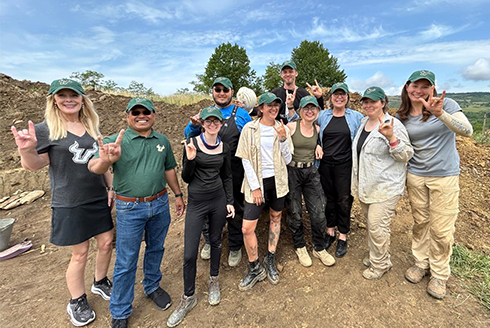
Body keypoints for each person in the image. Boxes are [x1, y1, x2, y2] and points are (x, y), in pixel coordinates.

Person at [11, 78, 114, 327]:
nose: (69, 99)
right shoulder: (45, 129)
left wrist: (111, 187)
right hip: (70, 200)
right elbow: (34, 165)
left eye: (74, 95)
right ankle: (76, 300)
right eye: (62, 95)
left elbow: (103, 160)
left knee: (107, 242)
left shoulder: (91, 125)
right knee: (80, 253)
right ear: (54, 100)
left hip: (97, 196)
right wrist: (27, 149)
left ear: (82, 99)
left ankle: (100, 281)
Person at [88, 97, 185, 328]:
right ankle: (120, 310)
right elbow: (94, 166)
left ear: (154, 115)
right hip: (129, 208)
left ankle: (152, 286)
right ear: (127, 116)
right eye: (136, 112)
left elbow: (169, 168)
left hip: (160, 203)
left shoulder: (161, 140)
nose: (141, 116)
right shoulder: (115, 141)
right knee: (126, 259)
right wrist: (105, 161)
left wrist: (178, 195)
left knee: (156, 248)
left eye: (146, 112)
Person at [396, 70, 473, 299]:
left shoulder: (446, 104)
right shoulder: (402, 116)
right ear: (407, 86)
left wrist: (440, 114)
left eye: (424, 86)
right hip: (416, 175)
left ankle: (439, 274)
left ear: (432, 88)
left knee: (441, 228)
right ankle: (421, 262)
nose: (418, 91)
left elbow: (467, 131)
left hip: (444, 175)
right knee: (421, 222)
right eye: (414, 86)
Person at [167, 107, 234, 327]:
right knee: (189, 253)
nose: (212, 124)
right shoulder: (192, 143)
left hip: (217, 200)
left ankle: (213, 280)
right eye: (208, 121)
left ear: (220, 123)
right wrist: (191, 159)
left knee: (215, 242)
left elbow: (227, 176)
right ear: (203, 123)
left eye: (216, 121)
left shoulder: (224, 147)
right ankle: (188, 297)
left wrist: (230, 202)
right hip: (196, 203)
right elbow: (186, 178)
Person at [184, 77, 251, 267]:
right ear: (212, 92)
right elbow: (188, 137)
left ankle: (235, 245)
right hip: (206, 171)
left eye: (225, 90)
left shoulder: (242, 114)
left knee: (235, 208)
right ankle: (209, 241)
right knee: (207, 210)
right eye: (217, 89)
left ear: (232, 92)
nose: (221, 93)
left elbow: (250, 138)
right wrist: (193, 126)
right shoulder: (203, 114)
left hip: (234, 170)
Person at [351, 87, 413, 280]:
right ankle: (378, 256)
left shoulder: (393, 124)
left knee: (378, 226)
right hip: (367, 185)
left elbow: (406, 155)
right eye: (366, 101)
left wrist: (391, 138)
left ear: (383, 103)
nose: (369, 105)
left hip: (386, 187)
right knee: (372, 225)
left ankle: (380, 265)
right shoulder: (363, 123)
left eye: (373, 101)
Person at [235, 92, 293, 290]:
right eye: (268, 105)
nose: (273, 108)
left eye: (276, 105)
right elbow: (245, 159)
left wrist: (283, 140)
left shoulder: (282, 128)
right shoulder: (249, 129)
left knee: (276, 217)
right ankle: (254, 268)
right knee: (247, 227)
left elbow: (287, 160)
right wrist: (256, 187)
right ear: (260, 108)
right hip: (256, 183)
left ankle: (270, 258)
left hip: (278, 181)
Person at [285, 95, 334, 267]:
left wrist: (318, 145)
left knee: (319, 211)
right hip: (292, 171)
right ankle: (300, 246)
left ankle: (318, 248)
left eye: (313, 108)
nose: (310, 111)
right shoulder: (291, 126)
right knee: (295, 211)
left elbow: (320, 144)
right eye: (306, 108)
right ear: (300, 111)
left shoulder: (318, 129)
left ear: (318, 111)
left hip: (311, 172)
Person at [315, 82, 363, 258]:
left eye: (343, 94)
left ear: (347, 98)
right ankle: (330, 232)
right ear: (331, 97)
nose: (339, 97)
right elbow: (308, 127)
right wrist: (316, 145)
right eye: (336, 94)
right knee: (328, 199)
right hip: (325, 165)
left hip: (345, 166)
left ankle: (343, 235)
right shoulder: (323, 116)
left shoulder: (356, 117)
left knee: (344, 200)